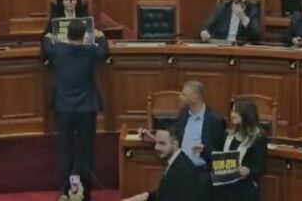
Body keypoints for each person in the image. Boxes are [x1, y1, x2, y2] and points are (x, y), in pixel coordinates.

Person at [42, 19, 109, 201]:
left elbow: (46, 46)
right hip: (86, 108)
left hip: (63, 107)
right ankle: (85, 193)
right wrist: (101, 37)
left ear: (67, 34)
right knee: (85, 150)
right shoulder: (91, 51)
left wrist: (48, 36)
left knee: (65, 150)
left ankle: (66, 191)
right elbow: (104, 52)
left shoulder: (57, 50)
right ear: (85, 35)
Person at [173, 81, 226, 201]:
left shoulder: (215, 120)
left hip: (203, 175)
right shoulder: (183, 115)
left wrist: (205, 151)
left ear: (194, 98)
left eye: (184, 94)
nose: (180, 96)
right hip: (181, 172)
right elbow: (175, 137)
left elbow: (220, 152)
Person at [122, 128, 203, 201]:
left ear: (175, 144)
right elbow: (166, 193)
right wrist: (145, 196)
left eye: (162, 143)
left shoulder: (183, 169)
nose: (156, 147)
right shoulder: (176, 161)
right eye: (156, 143)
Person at [216, 98, 268, 201]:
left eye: (236, 112)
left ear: (246, 114)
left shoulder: (258, 138)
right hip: (225, 185)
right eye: (232, 111)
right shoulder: (229, 134)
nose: (232, 114)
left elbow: (261, 166)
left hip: (244, 188)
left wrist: (248, 170)